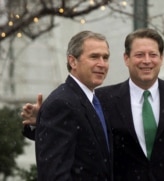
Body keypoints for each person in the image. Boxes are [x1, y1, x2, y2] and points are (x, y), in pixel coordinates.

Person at [22, 28, 164, 180]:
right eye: (140, 55)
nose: (147, 61)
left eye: (153, 54)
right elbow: (77, 137)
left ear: (161, 58)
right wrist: (42, 119)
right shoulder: (102, 99)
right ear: (126, 58)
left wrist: (43, 118)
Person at [22, 30, 113, 180]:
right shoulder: (62, 103)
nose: (102, 64)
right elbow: (54, 174)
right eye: (94, 57)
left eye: (105, 57)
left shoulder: (95, 100)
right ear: (73, 61)